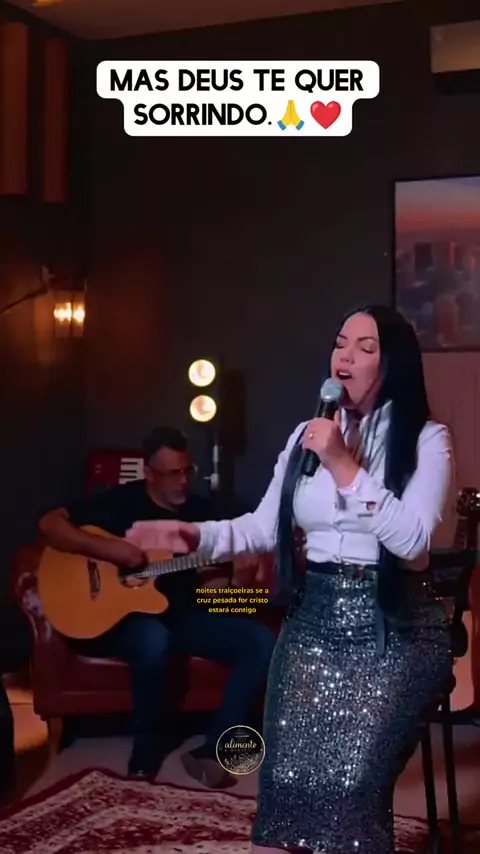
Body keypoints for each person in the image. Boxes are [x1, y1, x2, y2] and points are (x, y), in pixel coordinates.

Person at [126, 308, 454, 854]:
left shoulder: (426, 439)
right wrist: (195, 535)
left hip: (393, 628)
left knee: (351, 791)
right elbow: (261, 527)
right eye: (340, 343)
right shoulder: (307, 434)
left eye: (365, 347)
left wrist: (343, 464)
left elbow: (413, 542)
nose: (344, 356)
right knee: (288, 789)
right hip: (313, 622)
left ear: (393, 363)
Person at [38, 427, 276, 785]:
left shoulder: (201, 514)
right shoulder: (119, 502)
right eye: (172, 473)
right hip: (125, 621)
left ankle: (214, 749)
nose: (182, 481)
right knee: (152, 638)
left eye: (187, 471)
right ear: (149, 473)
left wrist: (239, 583)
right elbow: (49, 525)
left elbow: (209, 590)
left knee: (260, 640)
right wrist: (110, 550)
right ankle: (145, 752)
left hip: (181, 616)